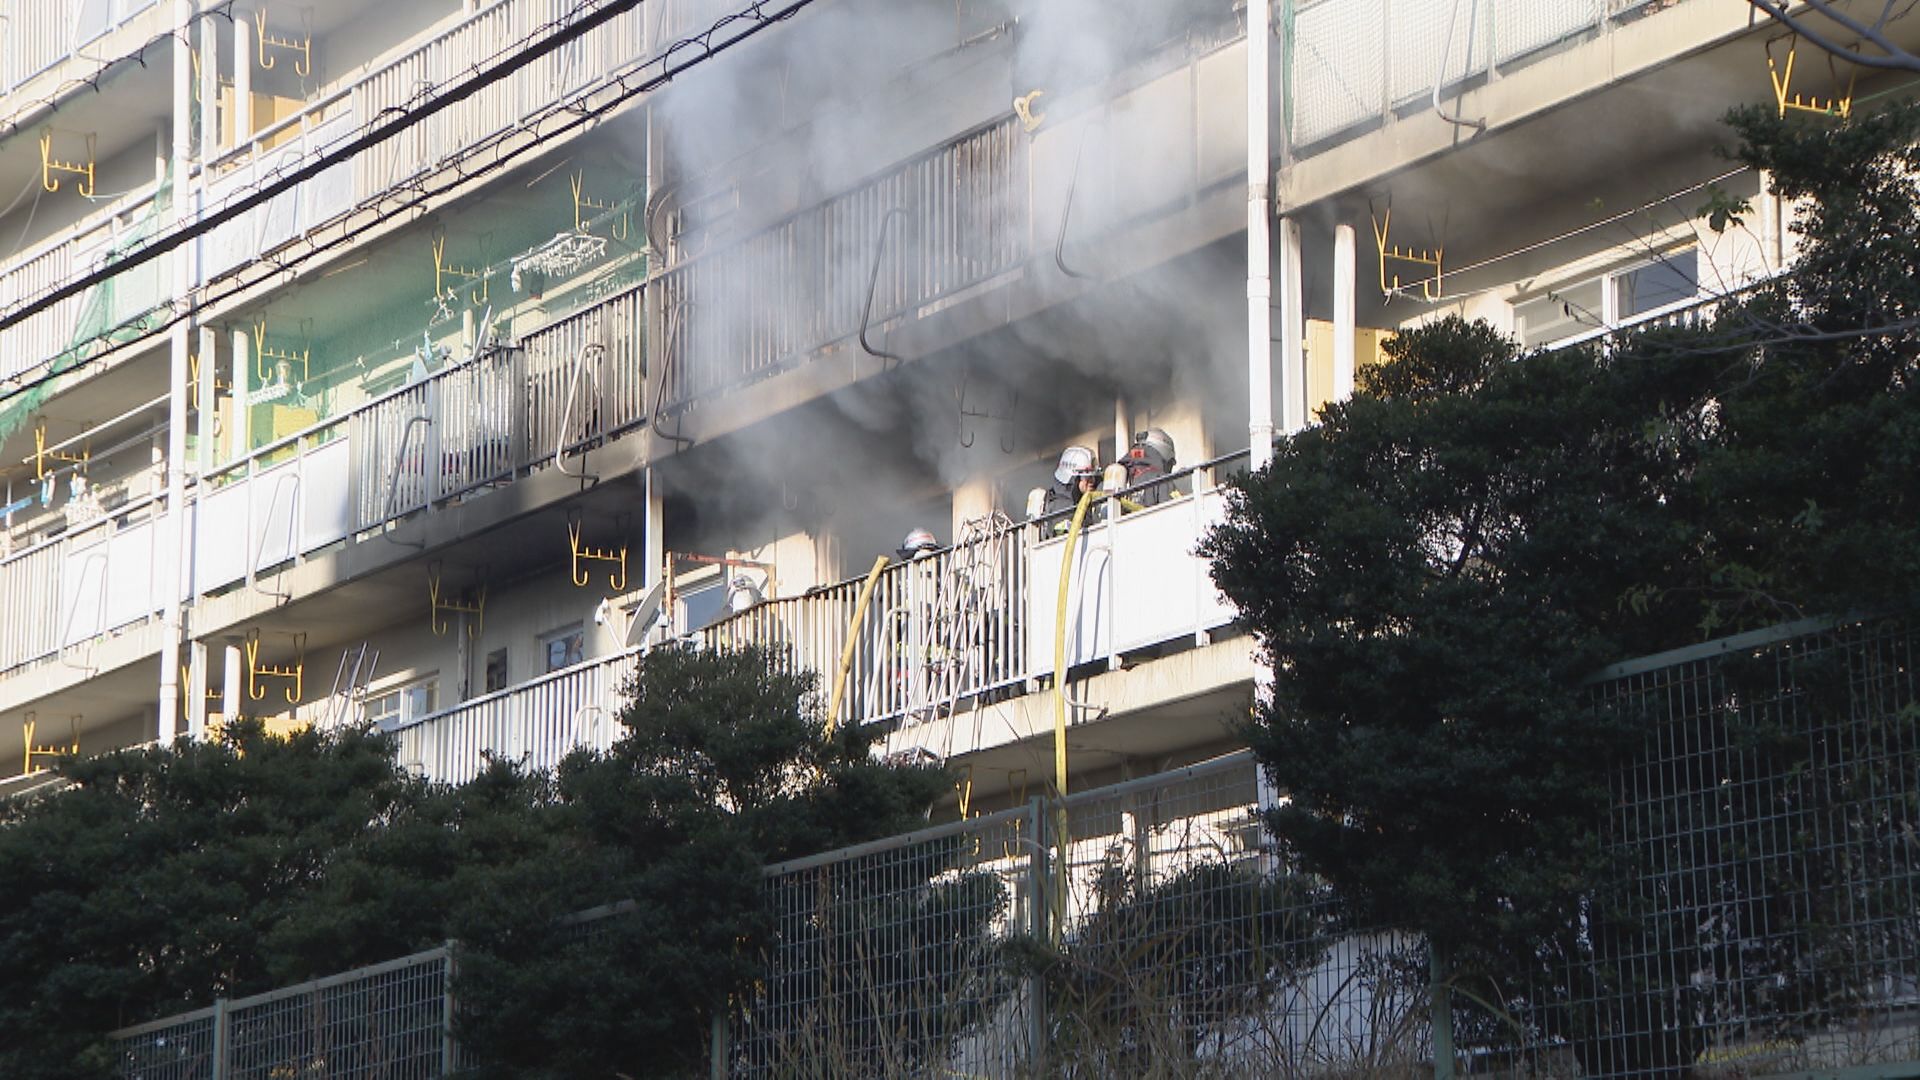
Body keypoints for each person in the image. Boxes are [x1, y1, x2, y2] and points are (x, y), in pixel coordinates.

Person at [1028, 444, 1101, 521]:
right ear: (1073, 479)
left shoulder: (1087, 505)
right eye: (1087, 476)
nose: (1092, 481)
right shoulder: (1062, 510)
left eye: (1093, 476)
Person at [1121, 427, 1179, 507]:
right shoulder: (1161, 480)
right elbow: (1175, 511)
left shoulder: (1123, 477)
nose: (1169, 471)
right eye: (1170, 464)